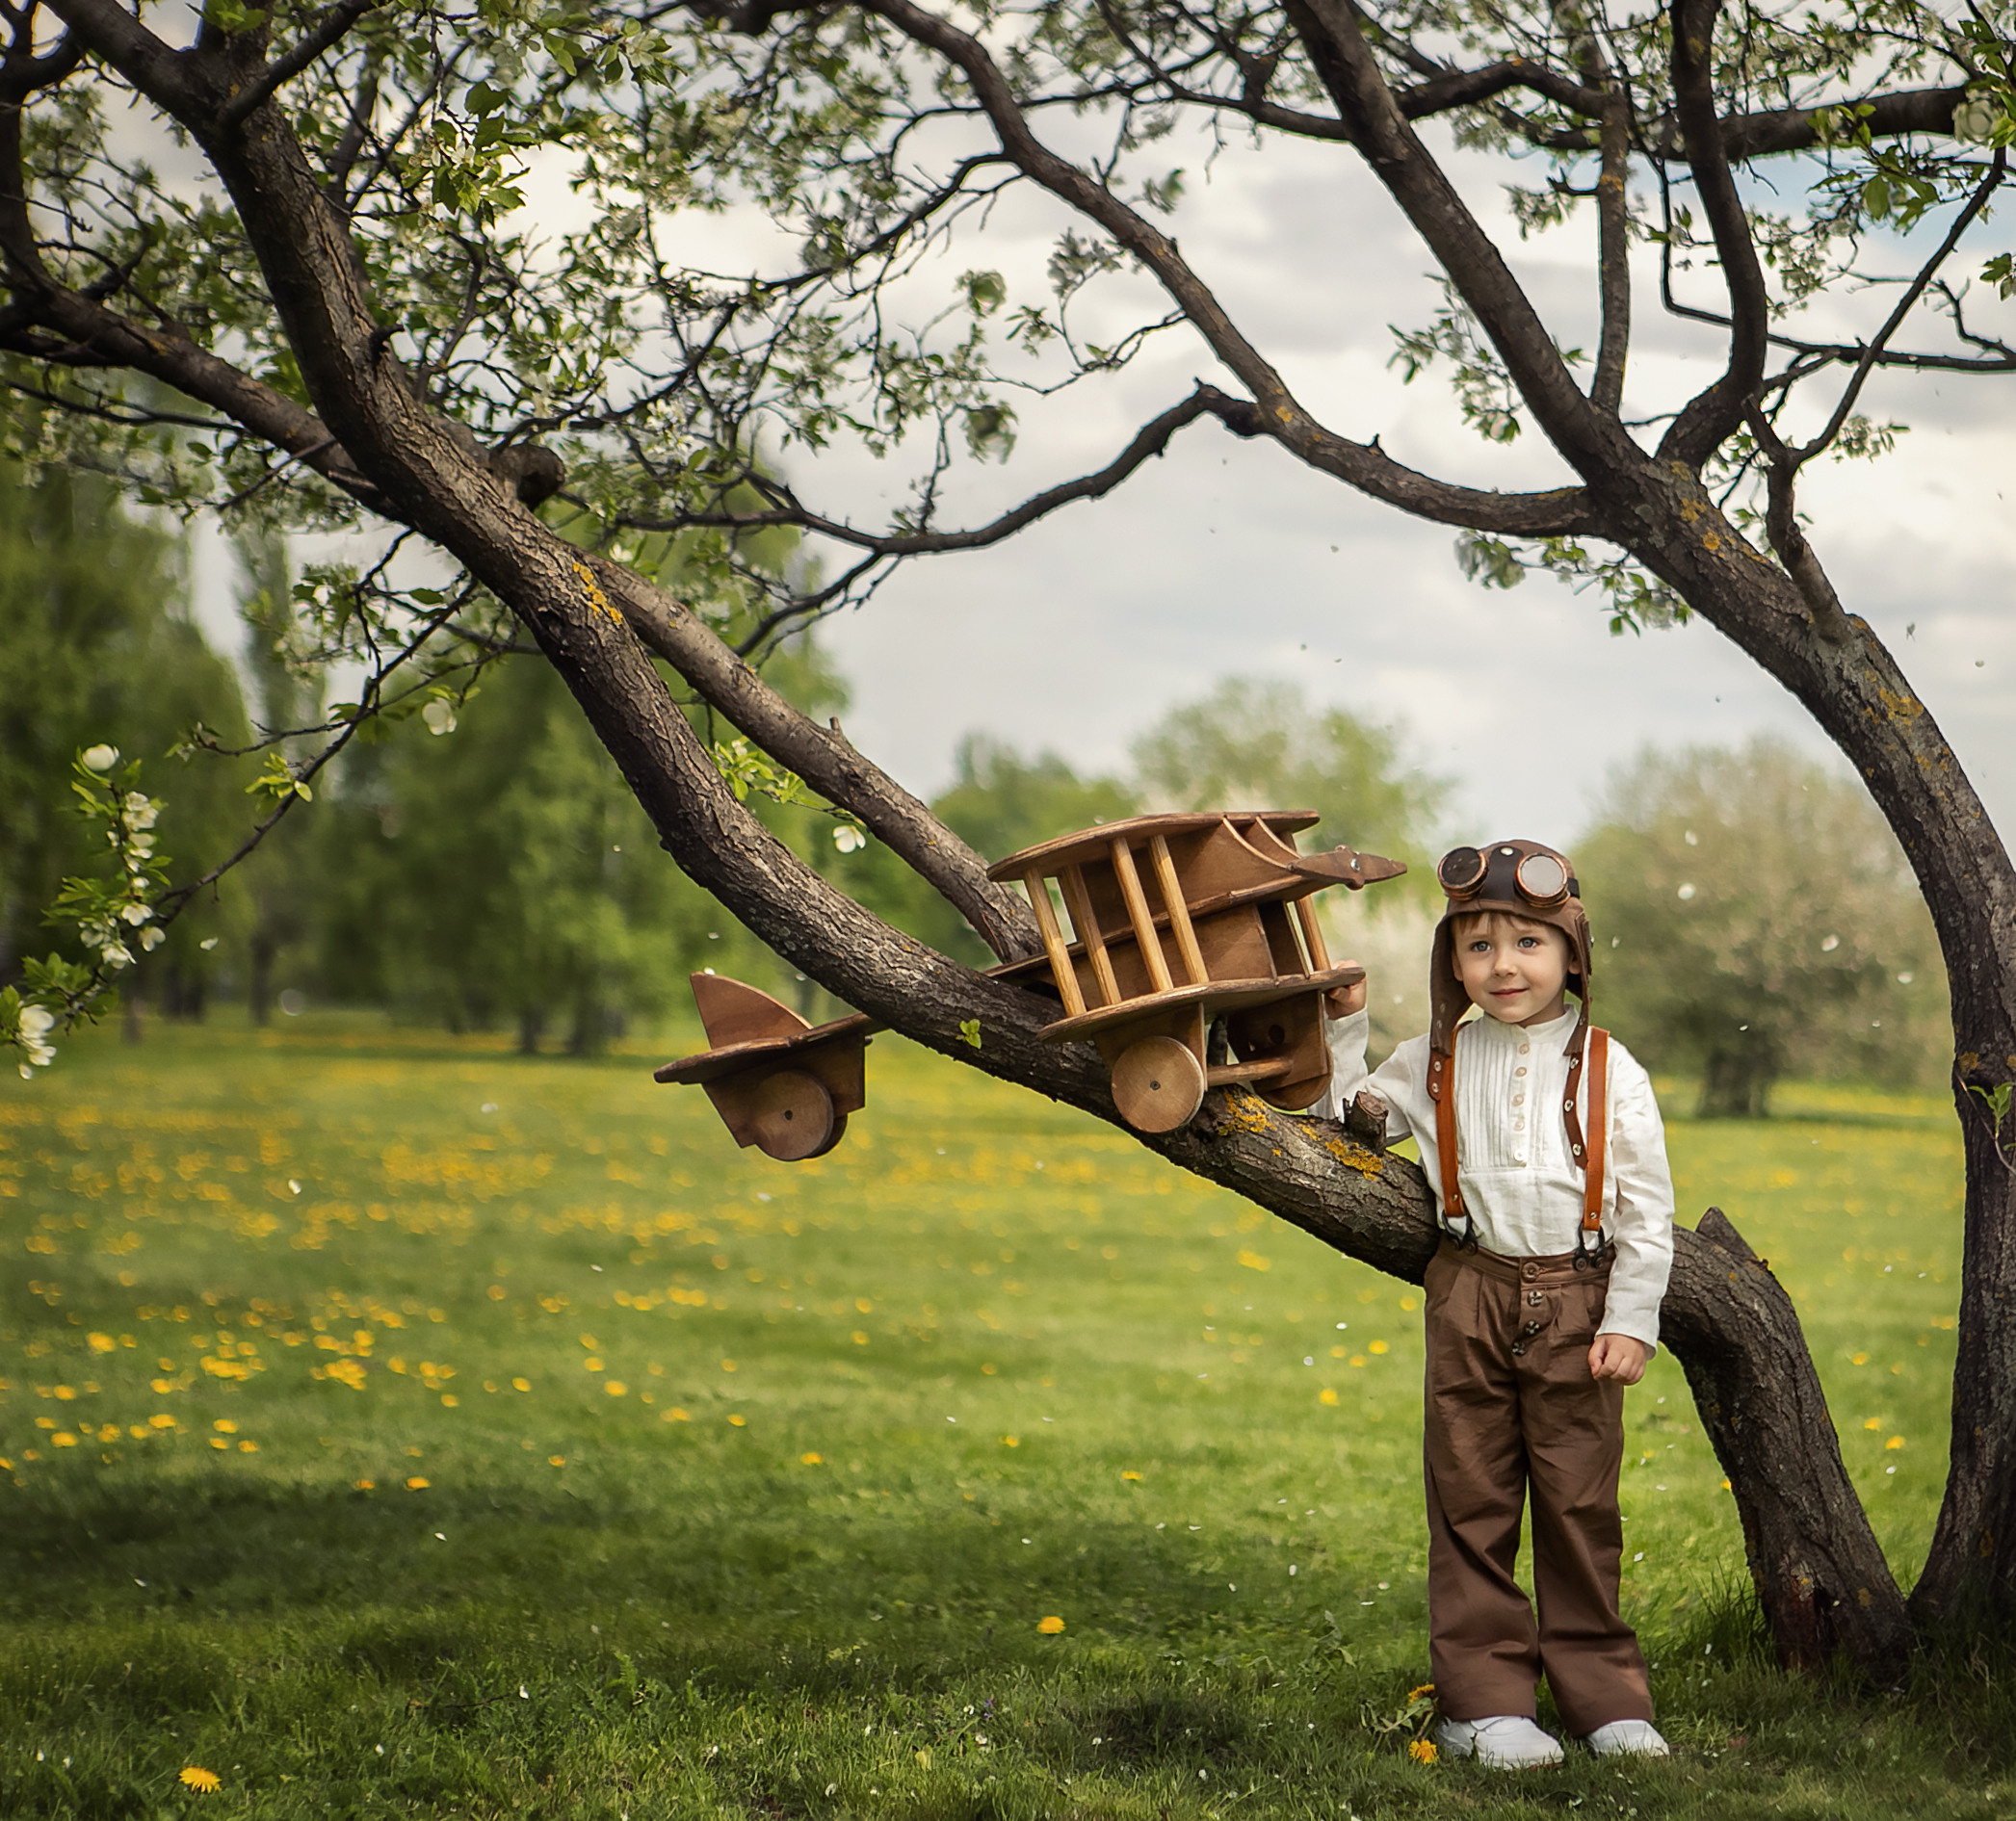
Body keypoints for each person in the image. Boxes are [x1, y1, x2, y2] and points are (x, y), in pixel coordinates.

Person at [1323, 839, 1674, 1769]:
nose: (1502, 966)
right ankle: (1481, 1703)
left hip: (1580, 1299)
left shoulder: (1610, 1066)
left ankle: (1603, 1696)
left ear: (1570, 956)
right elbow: (1344, 1124)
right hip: (1468, 1289)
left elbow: (1647, 1209)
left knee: (1578, 1503)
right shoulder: (1430, 1056)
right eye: (1477, 948)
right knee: (1470, 1495)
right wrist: (1341, 1031)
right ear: (1452, 964)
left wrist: (1631, 1318)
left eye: (1525, 943)